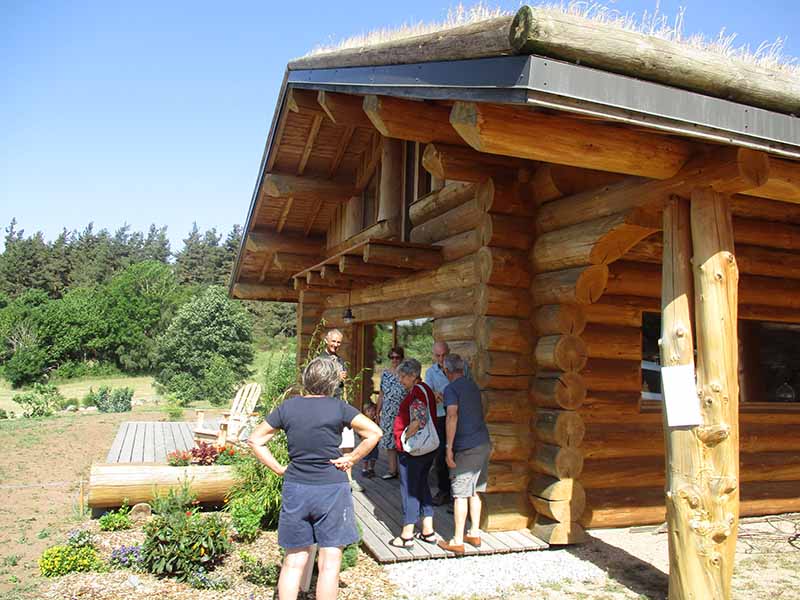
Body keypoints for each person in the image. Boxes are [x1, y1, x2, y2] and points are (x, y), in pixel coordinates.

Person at [248, 357, 382, 600]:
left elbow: (255, 440)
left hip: (296, 488)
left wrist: (279, 468)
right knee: (330, 564)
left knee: (293, 562)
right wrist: (351, 459)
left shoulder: (288, 408)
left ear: (305, 381)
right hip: (331, 489)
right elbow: (374, 432)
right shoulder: (339, 408)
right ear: (332, 383)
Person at [437, 353, 490, 555]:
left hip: (466, 447)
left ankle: (457, 540)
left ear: (447, 371)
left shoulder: (451, 389)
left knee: (459, 494)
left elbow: (452, 415)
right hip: (483, 443)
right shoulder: (472, 385)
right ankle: (474, 532)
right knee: (475, 490)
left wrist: (448, 448)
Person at [390, 358, 438, 548]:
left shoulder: (417, 391)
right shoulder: (425, 389)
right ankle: (428, 530)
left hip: (414, 450)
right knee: (422, 486)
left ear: (412, 376)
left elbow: (419, 419)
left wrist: (404, 438)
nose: (400, 380)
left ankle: (407, 534)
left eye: (402, 376)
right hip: (426, 450)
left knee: (409, 489)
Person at [424, 341, 470, 505]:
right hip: (441, 418)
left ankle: (459, 494)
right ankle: (444, 491)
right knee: (441, 456)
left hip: (460, 416)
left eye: (444, 355)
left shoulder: (461, 368)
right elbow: (428, 393)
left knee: (460, 454)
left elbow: (466, 387)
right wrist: (435, 394)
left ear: (449, 352)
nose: (441, 359)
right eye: (438, 356)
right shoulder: (430, 373)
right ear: (433, 355)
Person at [320, 328, 362, 492]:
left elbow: (343, 384)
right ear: (326, 340)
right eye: (334, 341)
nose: (336, 345)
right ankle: (328, 477)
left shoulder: (340, 360)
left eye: (339, 342)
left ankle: (349, 479)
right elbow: (318, 382)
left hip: (341, 404)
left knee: (347, 443)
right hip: (325, 405)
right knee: (328, 442)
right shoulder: (320, 360)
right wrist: (336, 377)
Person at [375, 346, 405, 479]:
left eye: (397, 357)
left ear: (402, 358)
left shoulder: (405, 373)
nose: (394, 360)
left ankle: (405, 472)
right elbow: (381, 394)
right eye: (392, 357)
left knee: (403, 441)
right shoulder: (385, 374)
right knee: (389, 442)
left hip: (402, 412)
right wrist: (377, 412)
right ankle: (392, 470)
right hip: (387, 412)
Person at [360, 402, 380, 478]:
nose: (371, 413)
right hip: (366, 443)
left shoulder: (376, 421)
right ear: (365, 412)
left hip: (374, 443)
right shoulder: (364, 421)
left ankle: (371, 468)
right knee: (366, 457)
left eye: (373, 411)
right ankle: (364, 469)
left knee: (374, 457)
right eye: (369, 411)